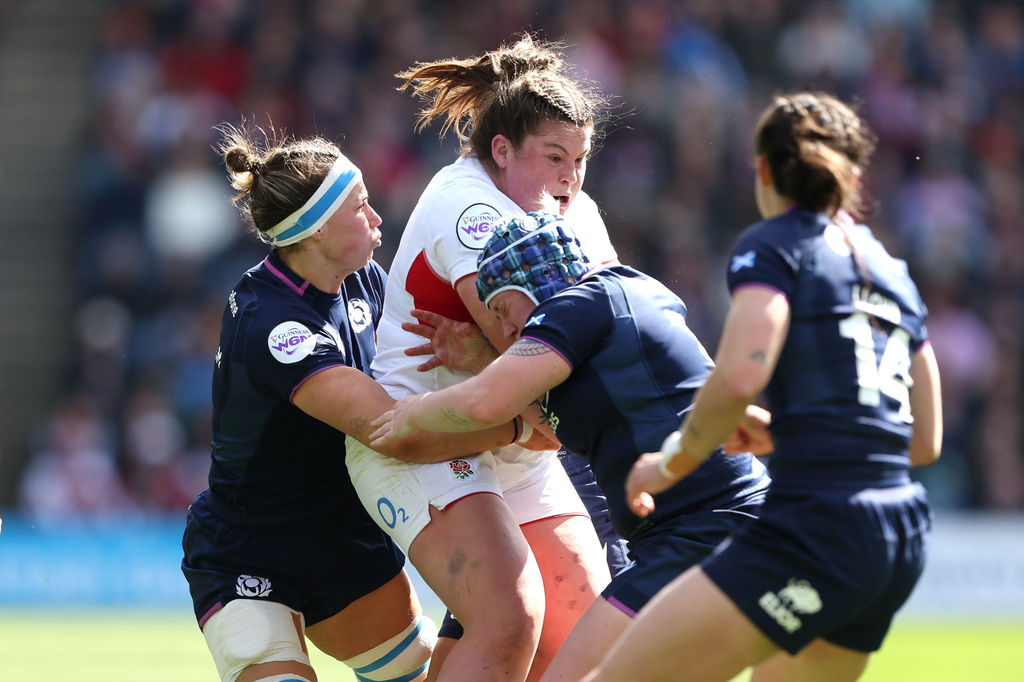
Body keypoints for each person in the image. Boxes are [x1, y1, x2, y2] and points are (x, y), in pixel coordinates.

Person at [588, 91, 944, 682]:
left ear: (761, 169)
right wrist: (790, 433)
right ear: (852, 175)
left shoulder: (775, 244)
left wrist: (671, 462)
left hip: (815, 529)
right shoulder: (893, 273)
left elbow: (741, 375)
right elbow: (922, 440)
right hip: (896, 539)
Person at [180, 124, 525, 682]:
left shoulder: (363, 279)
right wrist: (517, 428)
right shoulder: (274, 325)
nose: (377, 217)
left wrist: (480, 351)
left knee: (419, 669)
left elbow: (424, 373)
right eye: (360, 206)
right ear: (314, 232)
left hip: (346, 538)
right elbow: (391, 428)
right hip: (249, 551)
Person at [367, 210, 772, 682]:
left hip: (705, 526)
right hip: (696, 530)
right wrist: (483, 360)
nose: (503, 330)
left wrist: (410, 413)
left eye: (501, 309)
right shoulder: (597, 321)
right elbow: (557, 429)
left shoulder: (581, 301)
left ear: (530, 282)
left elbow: (485, 403)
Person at [344, 35, 626, 682]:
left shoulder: (573, 209)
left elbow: (601, 339)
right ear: (500, 150)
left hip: (514, 439)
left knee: (584, 639)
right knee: (510, 621)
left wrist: (496, 365)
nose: (570, 178)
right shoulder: (471, 210)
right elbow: (552, 369)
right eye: (554, 157)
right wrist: (516, 380)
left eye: (580, 159)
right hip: (423, 435)